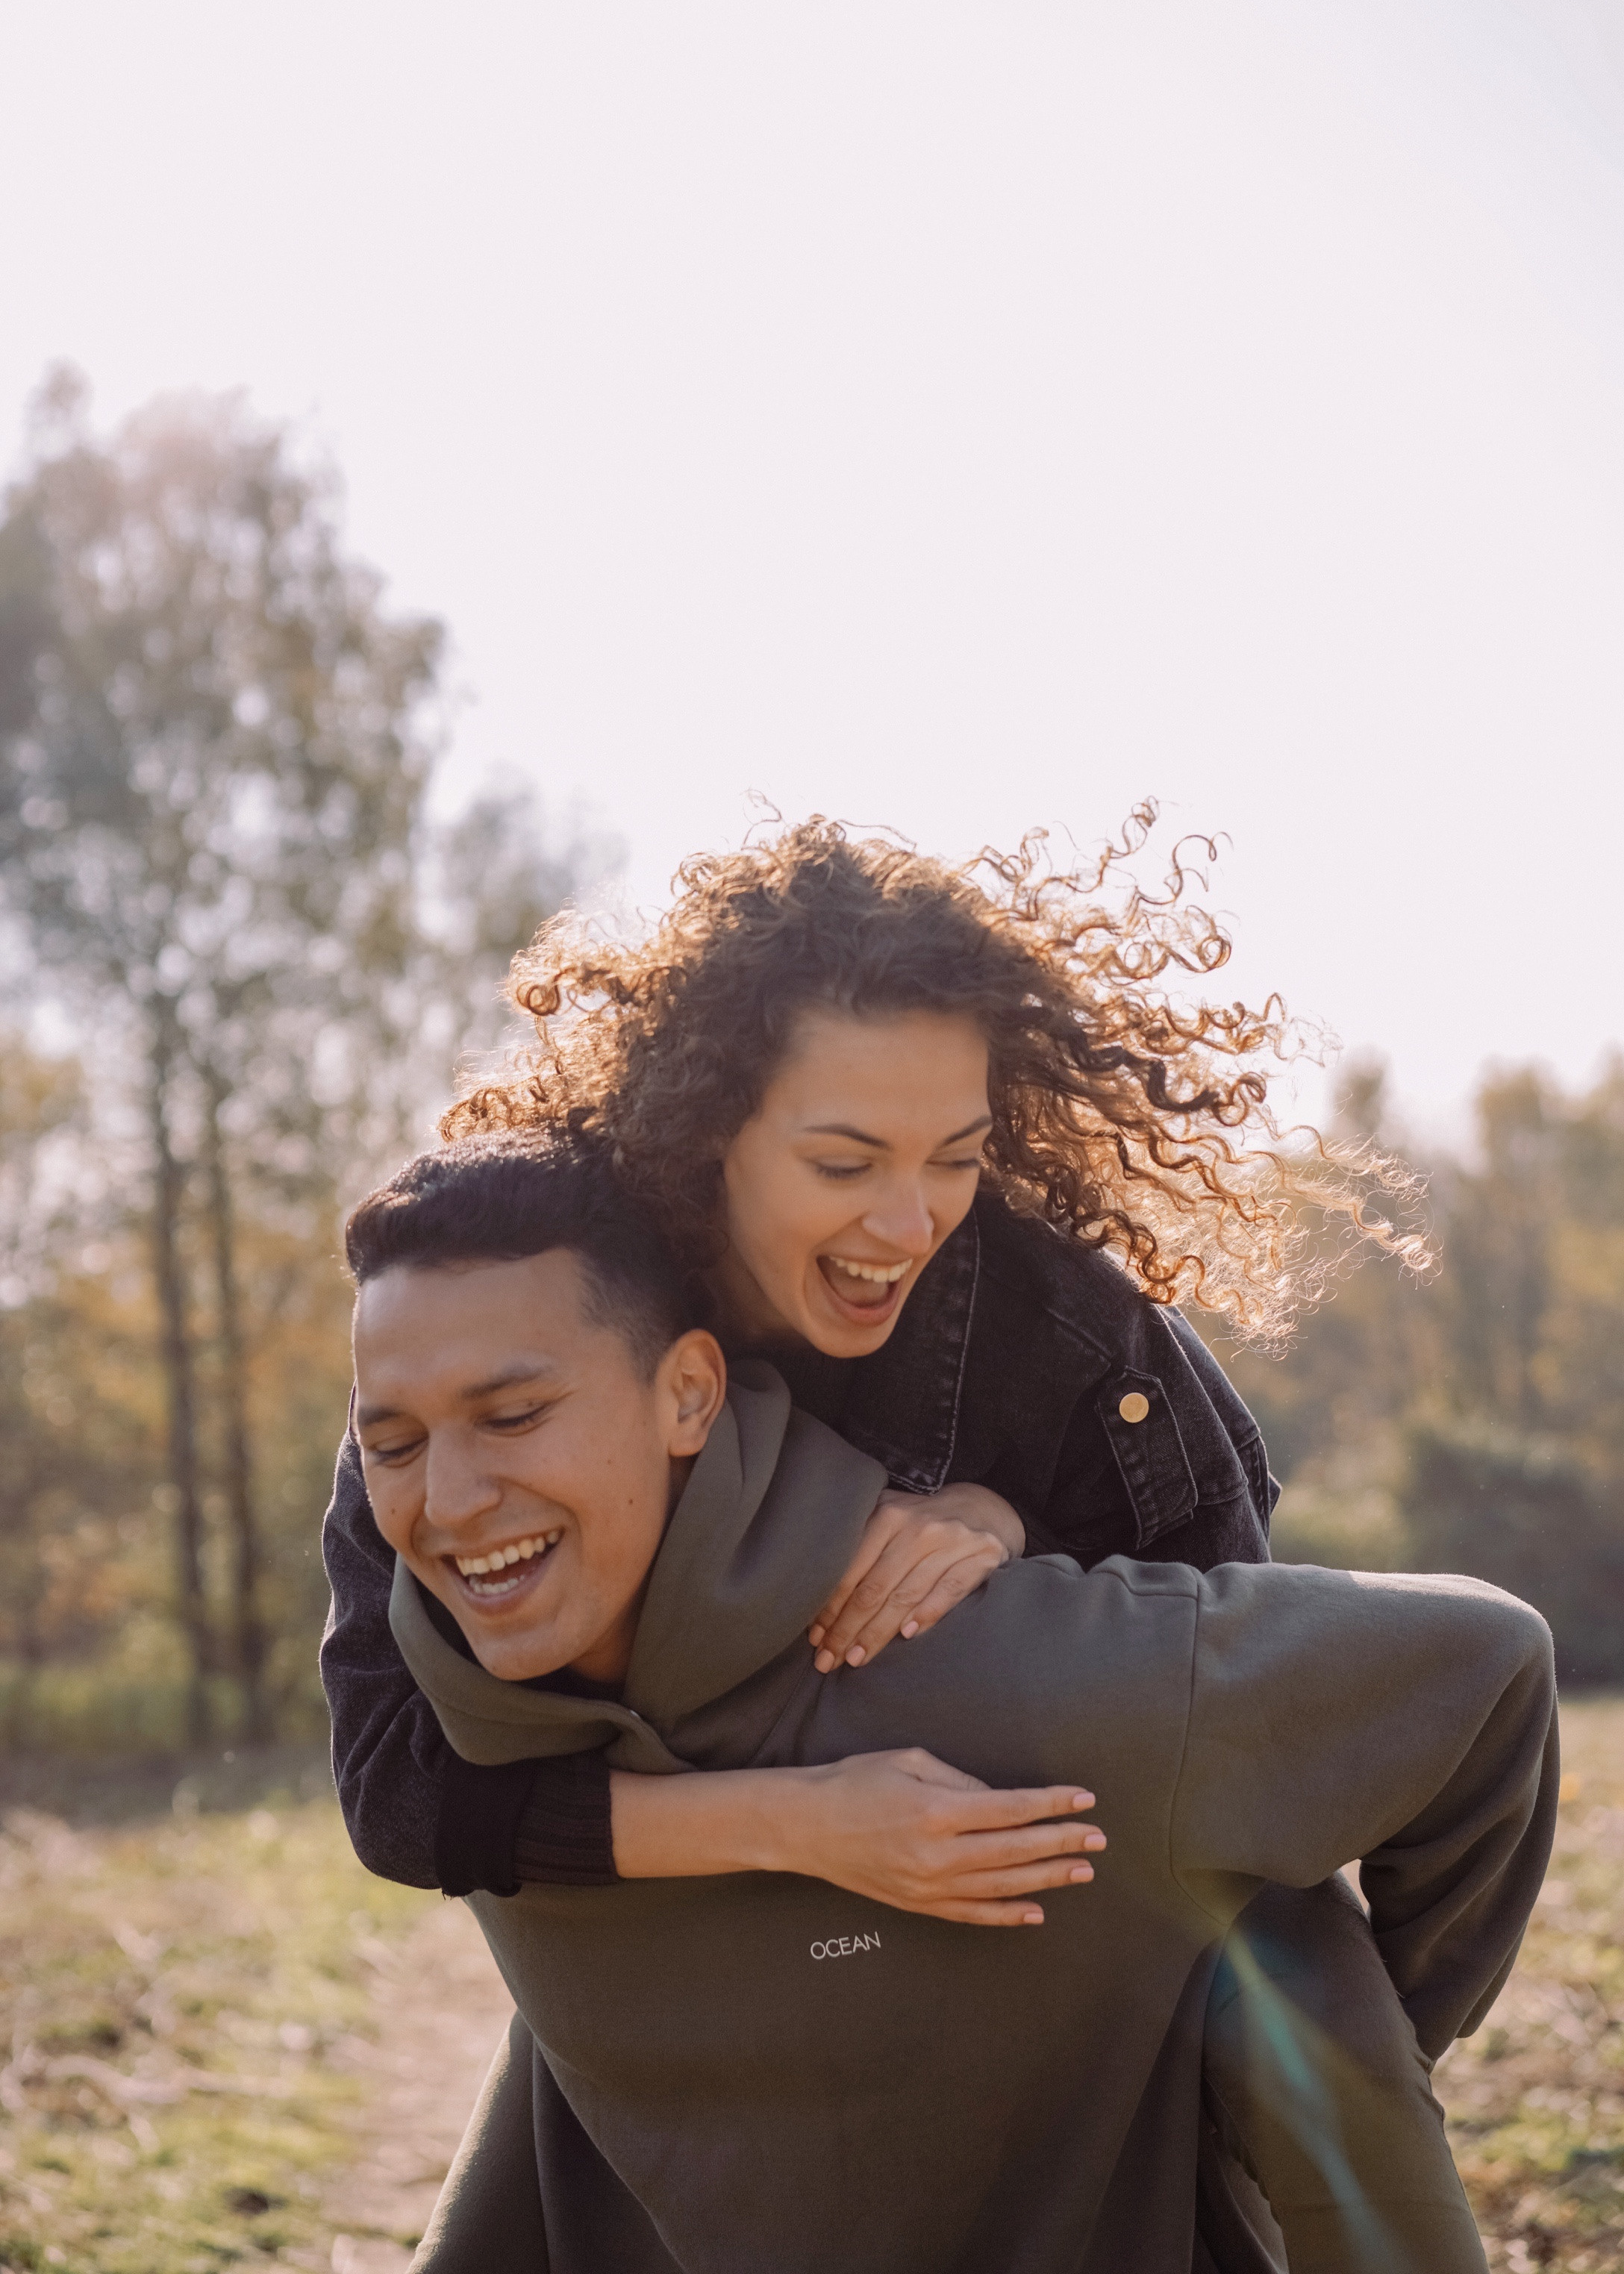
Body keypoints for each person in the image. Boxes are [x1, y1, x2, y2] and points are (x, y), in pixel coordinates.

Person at [321, 815, 1436, 2256]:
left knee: (1325, 2050)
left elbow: (1233, 1692)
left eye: (956, 1157)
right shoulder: (521, 1314)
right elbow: (399, 1797)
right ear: (708, 1130)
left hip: (1065, 1884)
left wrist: (1009, 1518)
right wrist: (806, 1821)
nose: (911, 1223)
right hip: (662, 1919)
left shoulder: (1070, 1342)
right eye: (845, 1162)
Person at [343, 1132, 1557, 2274]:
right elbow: (396, 1810)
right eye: (393, 1444)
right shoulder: (460, 1738)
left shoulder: (1000, 1672)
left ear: (689, 1394)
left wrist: (1347, 2044)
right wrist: (787, 1823)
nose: (447, 1502)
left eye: (513, 1416)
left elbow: (1488, 1668)